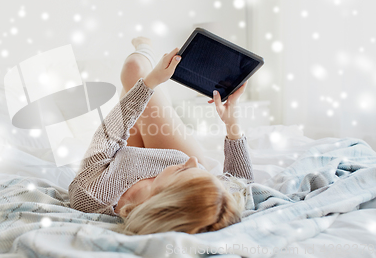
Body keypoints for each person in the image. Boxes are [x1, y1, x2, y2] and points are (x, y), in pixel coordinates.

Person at [68, 37, 254, 235]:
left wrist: (152, 81)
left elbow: (109, 134)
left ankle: (145, 48)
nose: (191, 161)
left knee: (133, 69)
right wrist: (231, 122)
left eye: (182, 172)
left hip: (116, 158)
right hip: (167, 153)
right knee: (134, 71)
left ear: (161, 199)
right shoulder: (199, 184)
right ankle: (146, 54)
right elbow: (241, 184)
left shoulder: (91, 193)